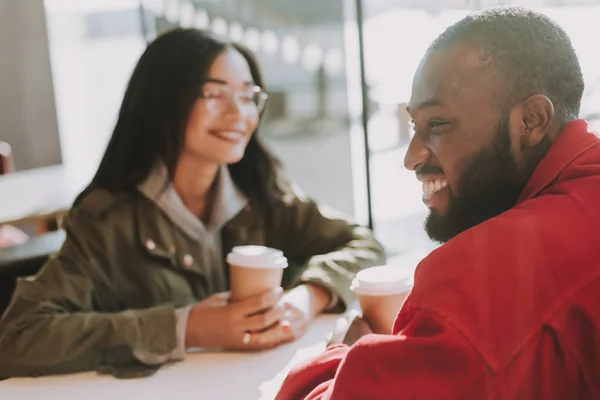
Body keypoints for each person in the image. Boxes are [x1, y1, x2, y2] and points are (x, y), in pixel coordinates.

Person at [0, 29, 385, 379]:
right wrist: (188, 327)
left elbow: (364, 245)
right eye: (214, 94)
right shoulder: (106, 221)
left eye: (248, 96)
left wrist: (309, 295)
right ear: (162, 101)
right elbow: (18, 337)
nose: (239, 114)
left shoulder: (263, 193)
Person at [276, 6, 600, 399]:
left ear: (530, 121)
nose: (411, 157)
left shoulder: (486, 273)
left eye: (438, 125)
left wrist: (343, 354)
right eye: (415, 126)